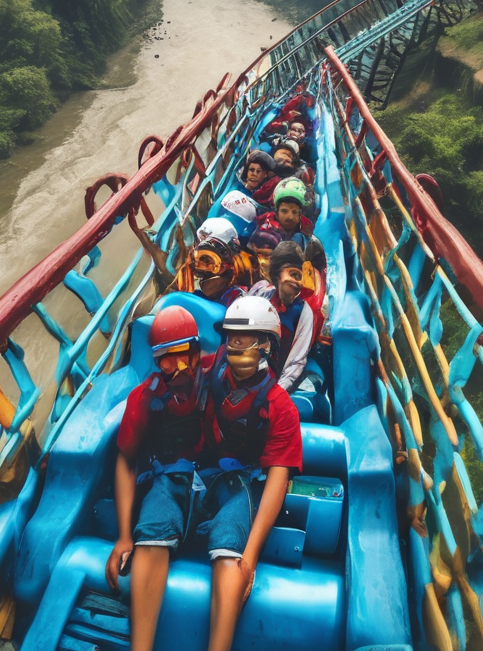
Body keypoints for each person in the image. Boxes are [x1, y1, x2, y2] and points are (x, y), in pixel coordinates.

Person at [106, 305, 211, 651]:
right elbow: (126, 461)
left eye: (183, 354)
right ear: (156, 360)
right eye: (167, 358)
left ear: (196, 351)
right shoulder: (145, 398)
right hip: (167, 481)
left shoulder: (217, 378)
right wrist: (125, 537)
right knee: (153, 531)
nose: (177, 366)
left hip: (214, 479)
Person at [202, 296, 302, 651]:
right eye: (231, 337)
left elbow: (277, 478)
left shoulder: (281, 408)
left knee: (227, 540)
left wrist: (251, 557)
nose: (235, 344)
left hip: (249, 481)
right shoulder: (211, 375)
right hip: (209, 475)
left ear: (266, 345)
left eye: (244, 338)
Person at [247, 243, 317, 392]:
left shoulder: (303, 312)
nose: (298, 283)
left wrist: (277, 392)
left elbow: (297, 361)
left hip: (276, 385)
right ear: (278, 273)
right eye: (293, 275)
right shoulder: (260, 293)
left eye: (300, 277)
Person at [137, 218, 255, 306]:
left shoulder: (236, 294)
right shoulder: (189, 277)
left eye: (209, 258)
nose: (202, 265)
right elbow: (170, 293)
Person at [248, 177, 314, 253]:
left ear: (300, 214)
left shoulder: (303, 232)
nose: (290, 216)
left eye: (295, 212)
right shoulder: (266, 234)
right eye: (284, 211)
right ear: (276, 213)